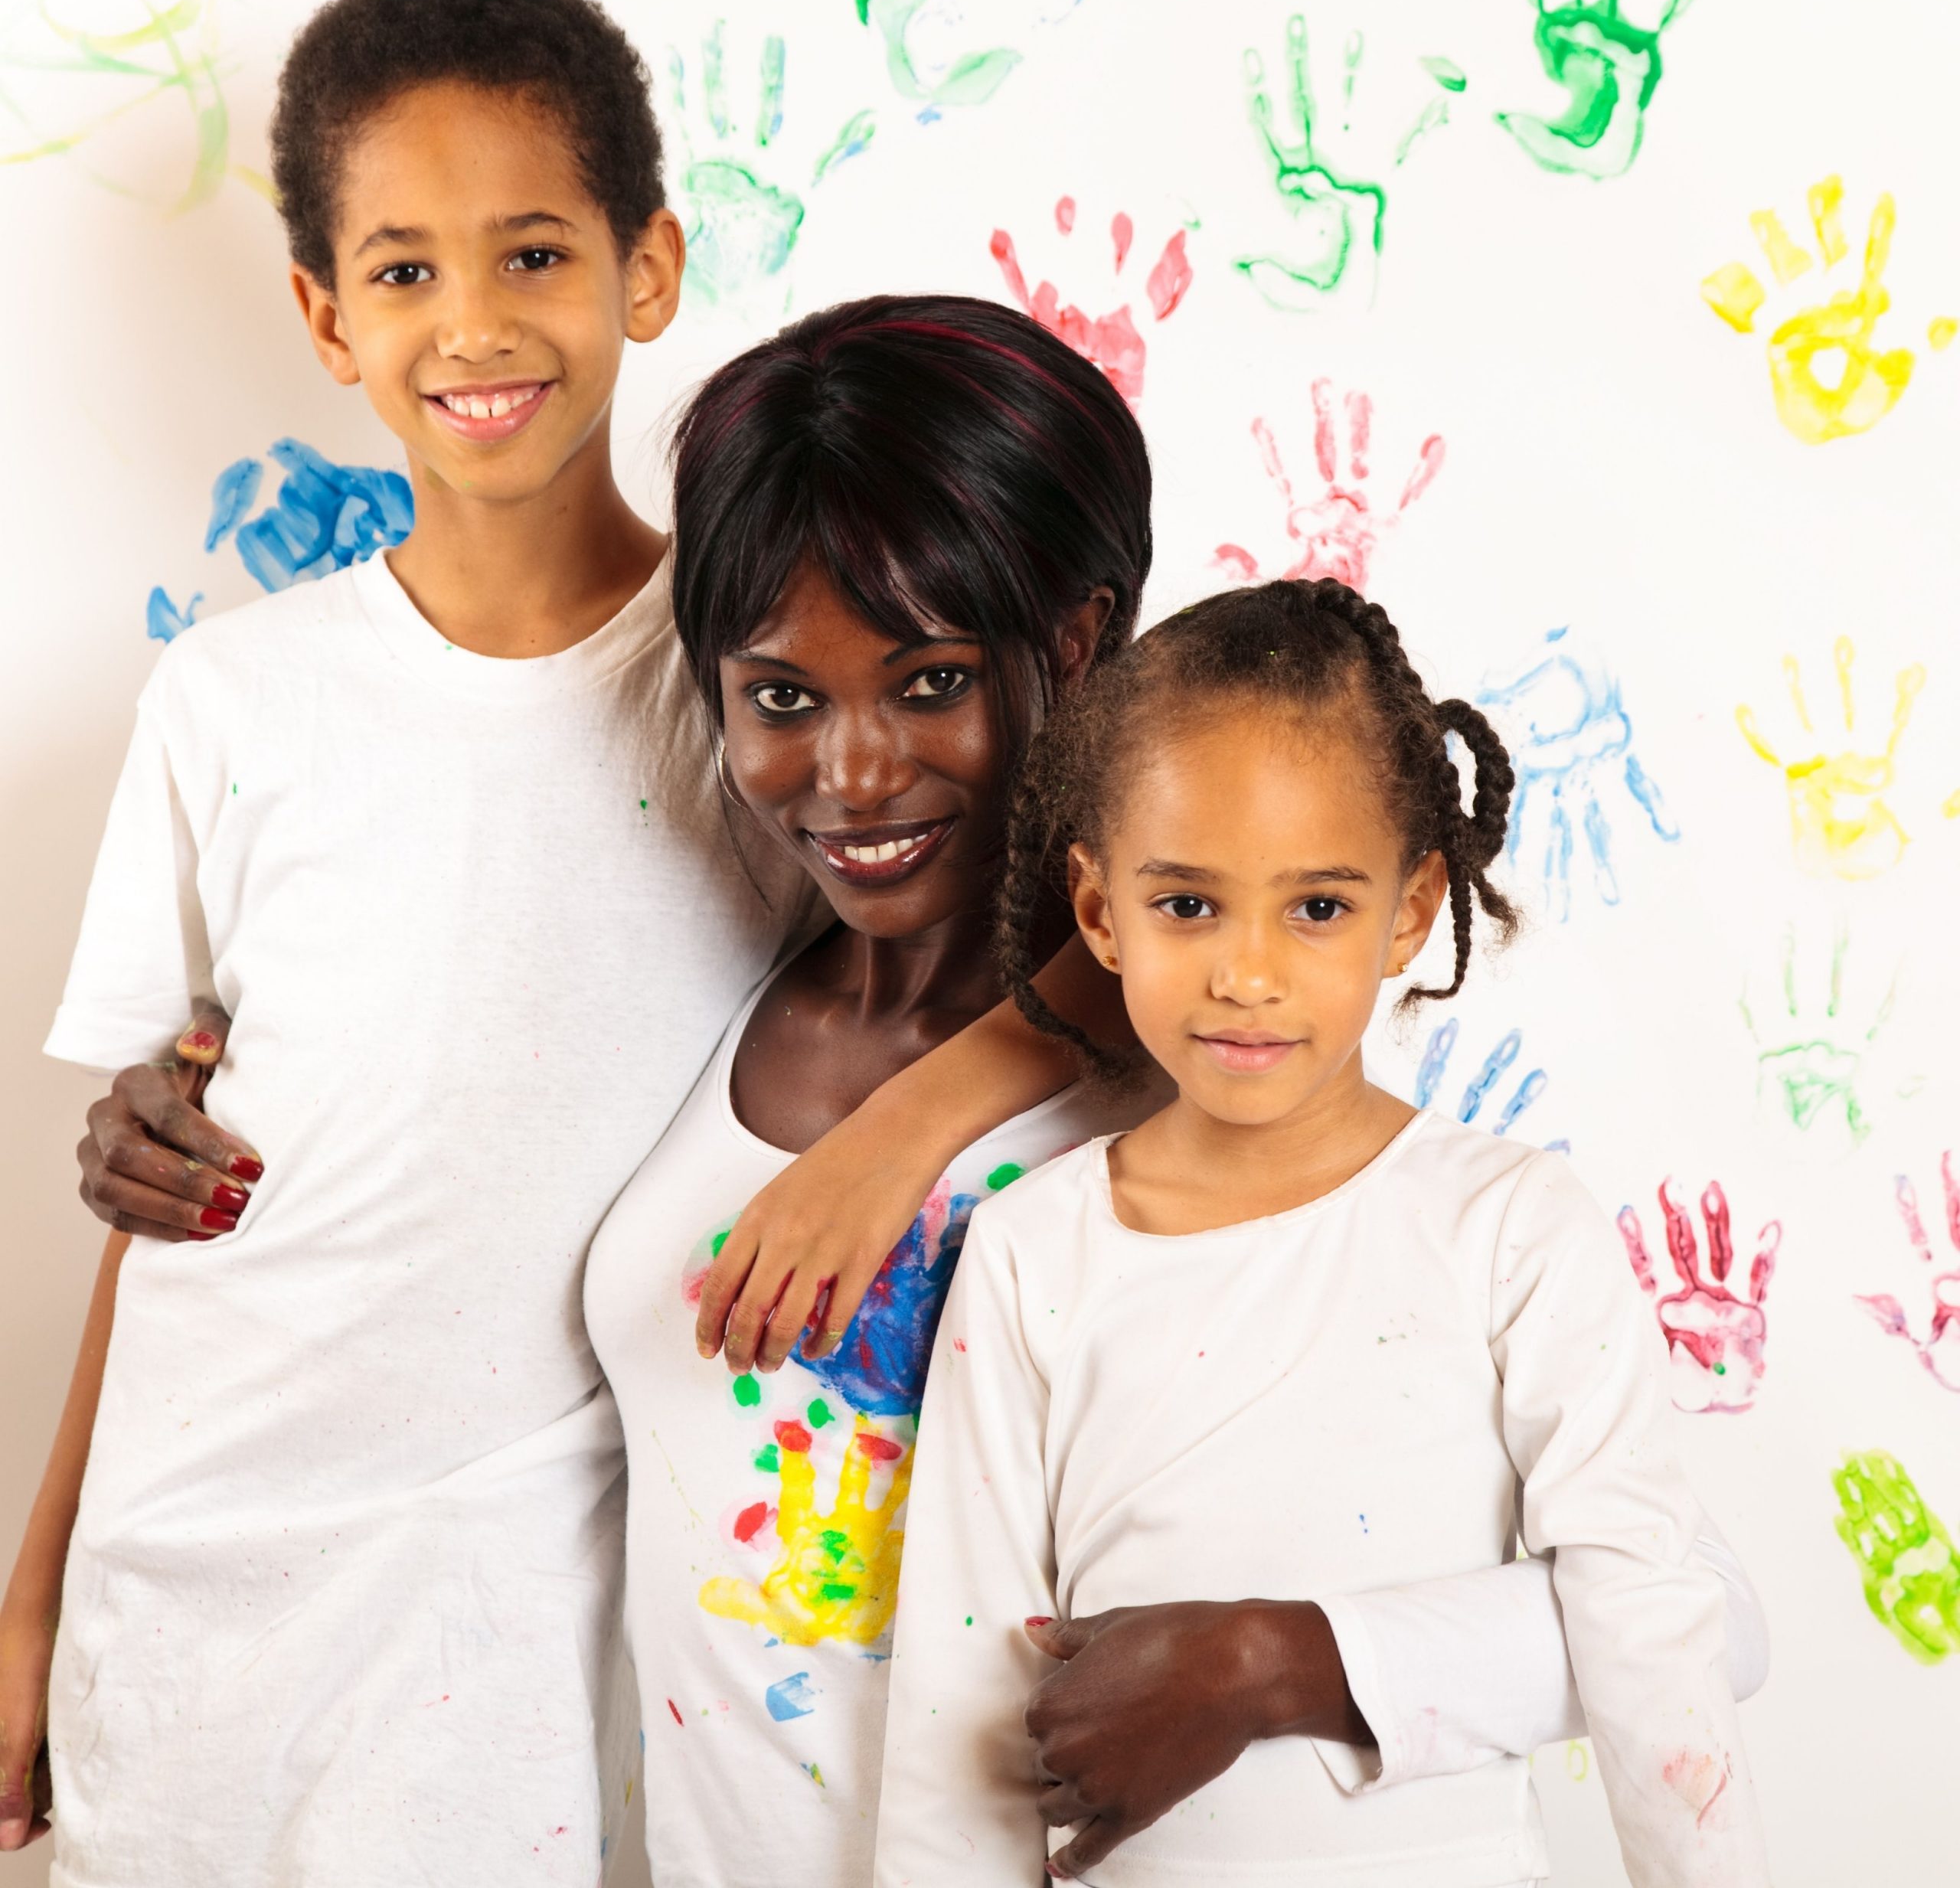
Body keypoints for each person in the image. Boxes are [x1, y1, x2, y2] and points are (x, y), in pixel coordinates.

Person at [0, 0, 1117, 1885]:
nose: (473, 322)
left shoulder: (764, 680)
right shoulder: (231, 700)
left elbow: (1138, 919)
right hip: (176, 1602)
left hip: (501, 1645)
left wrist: (906, 1127)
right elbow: (178, 1180)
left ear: (646, 268)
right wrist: (32, 1588)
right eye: (404, 270)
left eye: (531, 251)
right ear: (323, 316)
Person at [583, 304, 1765, 1888]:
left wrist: (1276, 1660)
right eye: (783, 698)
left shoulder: (1228, 1080)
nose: (851, 774)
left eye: (931, 681)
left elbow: (1695, 1617)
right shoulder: (715, 977)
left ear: (1072, 649)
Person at [877, 580, 1772, 1887]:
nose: (1248, 974)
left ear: (1410, 911)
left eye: (1317, 908)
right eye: (1188, 906)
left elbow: (1650, 1622)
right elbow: (959, 1721)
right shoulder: (1031, 1255)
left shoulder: (1510, 1230)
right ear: (1099, 911)